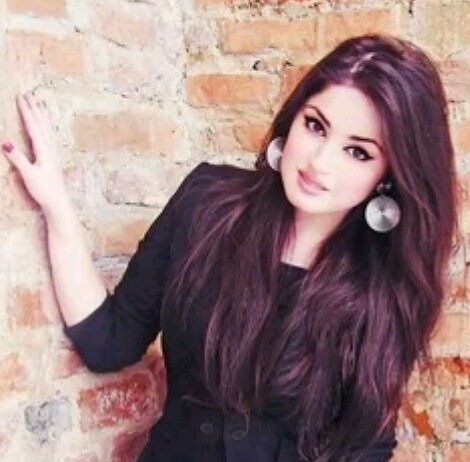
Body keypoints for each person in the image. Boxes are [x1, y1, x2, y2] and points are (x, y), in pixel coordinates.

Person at [2, 34, 459, 462]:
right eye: (316, 126)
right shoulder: (206, 205)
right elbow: (109, 341)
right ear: (293, 118)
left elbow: (365, 445)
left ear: (388, 175)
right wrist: (56, 206)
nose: (320, 162)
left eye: (357, 152)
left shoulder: (385, 283)